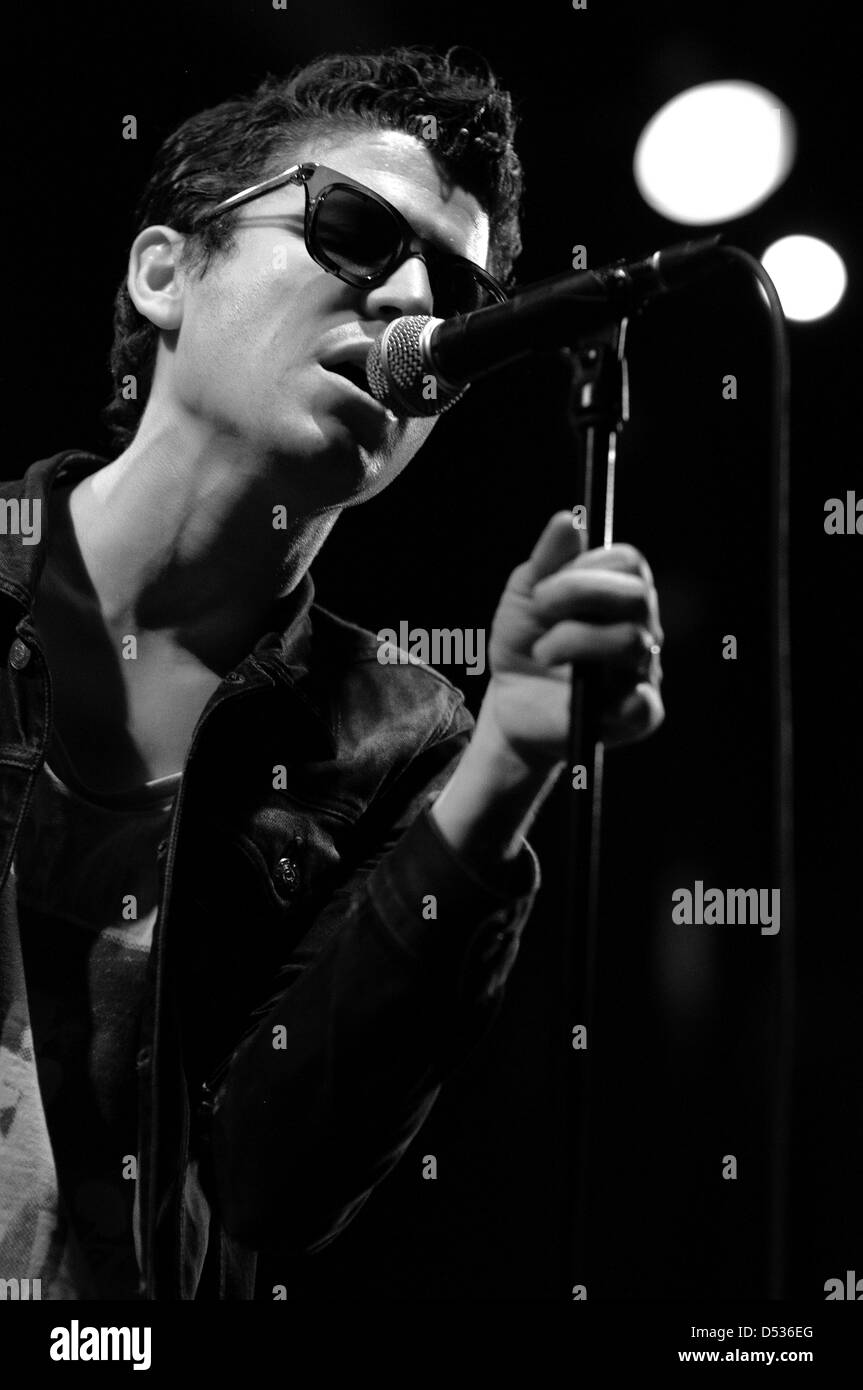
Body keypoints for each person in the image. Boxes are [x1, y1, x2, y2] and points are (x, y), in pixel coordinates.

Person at [0, 45, 664, 1301]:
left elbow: (275, 1181)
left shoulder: (405, 742)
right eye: (354, 231)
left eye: (455, 298)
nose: (413, 305)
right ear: (164, 273)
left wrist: (504, 773)